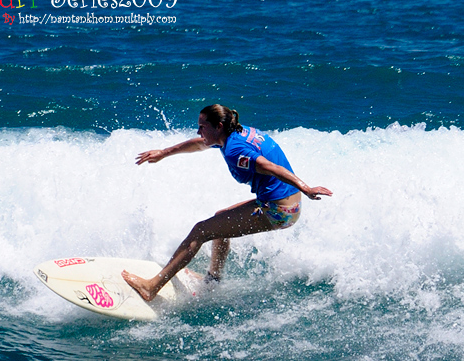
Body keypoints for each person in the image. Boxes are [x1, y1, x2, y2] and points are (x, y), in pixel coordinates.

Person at [122, 104, 333, 301]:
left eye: (202, 127)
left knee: (201, 230)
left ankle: (151, 287)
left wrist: (306, 188)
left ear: (219, 126)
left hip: (279, 210)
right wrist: (164, 153)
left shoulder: (235, 150)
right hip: (284, 203)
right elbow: (199, 144)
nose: (198, 131)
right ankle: (212, 281)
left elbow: (270, 167)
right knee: (219, 220)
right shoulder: (235, 132)